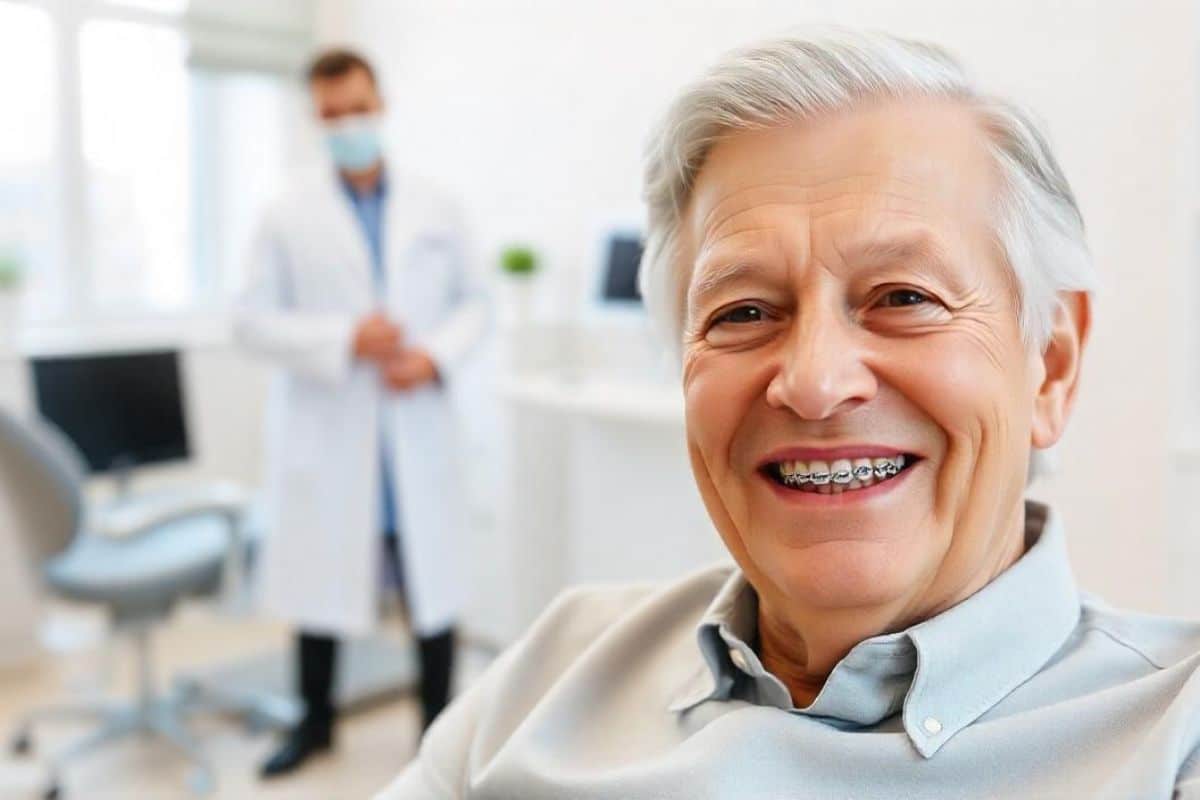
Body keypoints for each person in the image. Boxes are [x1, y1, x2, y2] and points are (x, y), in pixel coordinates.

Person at [378, 28, 1200, 799]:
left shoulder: (1173, 739)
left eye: (904, 297)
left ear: (1050, 366)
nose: (812, 382)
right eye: (742, 313)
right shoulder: (555, 667)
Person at [237, 48, 487, 778]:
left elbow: (476, 302)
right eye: (333, 113)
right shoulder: (285, 211)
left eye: (358, 107)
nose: (349, 123)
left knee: (430, 588)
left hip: (414, 427)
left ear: (381, 102)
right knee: (320, 588)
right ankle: (314, 724)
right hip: (334, 428)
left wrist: (433, 356)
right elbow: (249, 321)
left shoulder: (437, 204)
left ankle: (437, 738)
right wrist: (344, 338)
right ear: (315, 117)